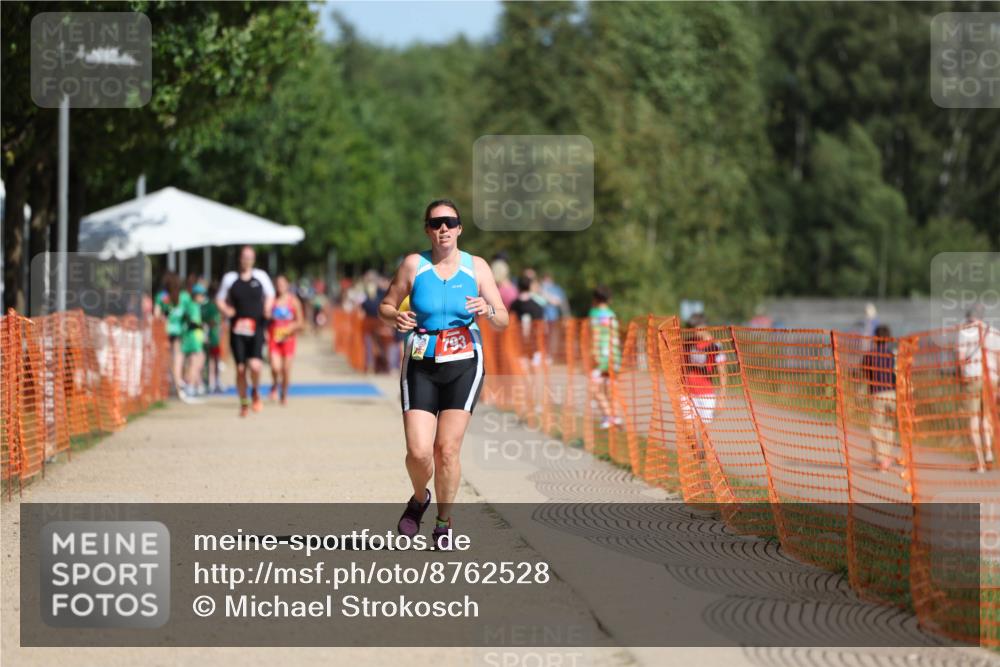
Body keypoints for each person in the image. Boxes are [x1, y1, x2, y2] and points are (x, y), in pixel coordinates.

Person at [379, 199, 509, 548]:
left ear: (459, 228)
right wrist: (395, 317)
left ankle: (443, 522)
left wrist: (488, 308)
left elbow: (503, 318)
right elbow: (385, 306)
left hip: (464, 362)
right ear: (427, 229)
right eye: (436, 223)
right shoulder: (414, 265)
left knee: (447, 450)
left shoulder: (477, 267)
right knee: (419, 452)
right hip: (421, 362)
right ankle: (419, 498)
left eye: (450, 222)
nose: (443, 228)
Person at [216, 246, 275, 417]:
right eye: (244, 257)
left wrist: (267, 308)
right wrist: (226, 310)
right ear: (240, 259)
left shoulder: (261, 276)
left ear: (254, 259)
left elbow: (271, 295)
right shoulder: (230, 278)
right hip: (238, 330)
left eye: (250, 257)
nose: (247, 260)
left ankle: (255, 391)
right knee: (241, 369)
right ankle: (243, 402)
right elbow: (219, 299)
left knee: (255, 366)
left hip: (256, 327)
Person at [957, 304, 999, 473]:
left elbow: (960, 358)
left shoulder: (964, 332)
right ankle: (988, 452)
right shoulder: (993, 332)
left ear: (969, 316)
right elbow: (998, 358)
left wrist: (961, 378)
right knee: (986, 416)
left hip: (972, 376)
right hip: (991, 377)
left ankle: (980, 461)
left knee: (973, 418)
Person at [680, 312, 728, 459]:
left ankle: (704, 457)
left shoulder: (715, 345)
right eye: (691, 329)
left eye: (695, 329)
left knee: (704, 430)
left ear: (703, 327)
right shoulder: (687, 343)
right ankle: (697, 454)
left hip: (706, 393)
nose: (694, 333)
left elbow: (722, 371)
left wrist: (722, 397)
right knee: (688, 427)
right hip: (687, 391)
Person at [155, 272, 200, 404]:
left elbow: (157, 315)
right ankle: (178, 388)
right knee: (177, 360)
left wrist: (166, 315)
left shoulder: (162, 296)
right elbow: (191, 313)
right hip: (177, 331)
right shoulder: (184, 296)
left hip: (164, 332)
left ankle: (173, 386)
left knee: (167, 360)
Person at [862, 324, 898, 472]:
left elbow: (865, 372)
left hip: (877, 393)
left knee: (876, 426)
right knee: (889, 426)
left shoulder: (869, 355)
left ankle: (882, 458)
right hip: (892, 394)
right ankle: (886, 456)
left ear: (875, 338)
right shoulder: (893, 354)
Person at [267, 275, 304, 404]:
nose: (280, 287)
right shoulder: (271, 300)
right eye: (278, 284)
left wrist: (291, 327)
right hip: (274, 339)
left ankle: (284, 392)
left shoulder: (294, 301)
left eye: (282, 284)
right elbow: (264, 317)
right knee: (275, 367)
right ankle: (274, 384)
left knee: (286, 369)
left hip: (288, 340)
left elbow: (301, 322)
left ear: (287, 285)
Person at [588, 286, 622, 429]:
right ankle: (615, 416)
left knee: (594, 389)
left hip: (600, 356)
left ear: (595, 298)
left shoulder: (594, 313)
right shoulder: (611, 314)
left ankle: (609, 416)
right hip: (614, 355)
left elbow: (595, 334)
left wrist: (594, 354)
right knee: (610, 388)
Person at [201, 280, 224, 394]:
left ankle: (209, 382)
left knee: (208, 361)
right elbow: (213, 322)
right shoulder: (213, 306)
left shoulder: (204, 305)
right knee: (213, 360)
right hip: (212, 337)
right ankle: (213, 382)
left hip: (208, 337)